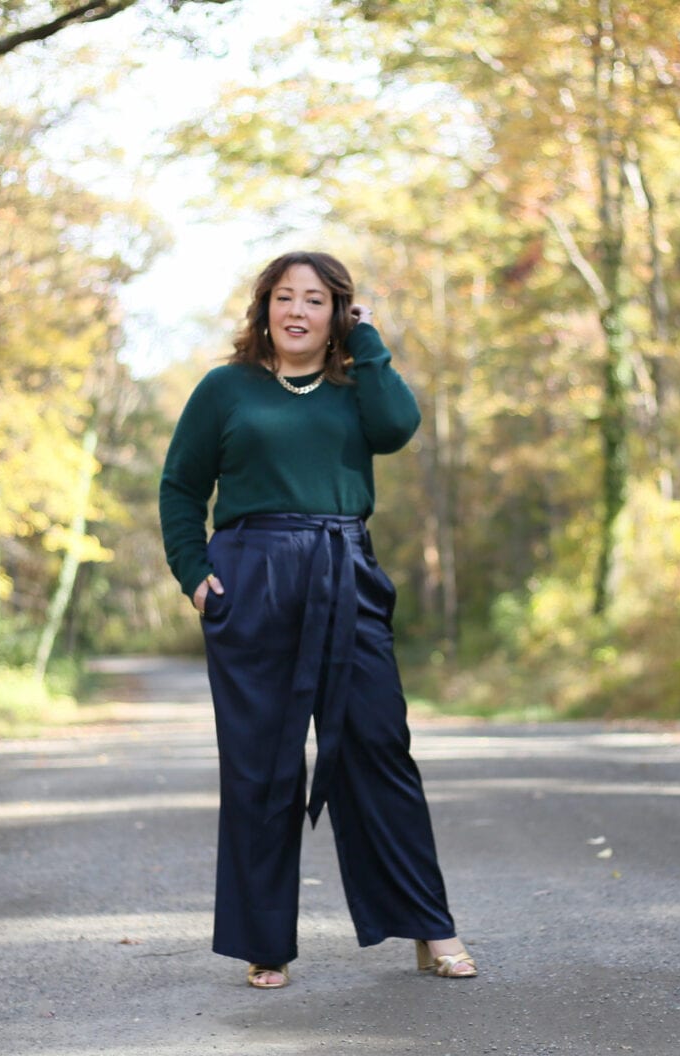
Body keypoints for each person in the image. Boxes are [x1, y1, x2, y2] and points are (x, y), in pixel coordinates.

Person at [159, 250, 477, 989]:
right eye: (283, 298)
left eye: (315, 300)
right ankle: (263, 941)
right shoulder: (223, 389)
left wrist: (368, 342)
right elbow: (181, 486)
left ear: (337, 311)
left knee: (378, 745)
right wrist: (195, 577)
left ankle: (431, 927)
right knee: (261, 765)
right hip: (251, 573)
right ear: (263, 307)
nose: (297, 311)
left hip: (343, 567)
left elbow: (397, 427)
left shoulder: (358, 382)